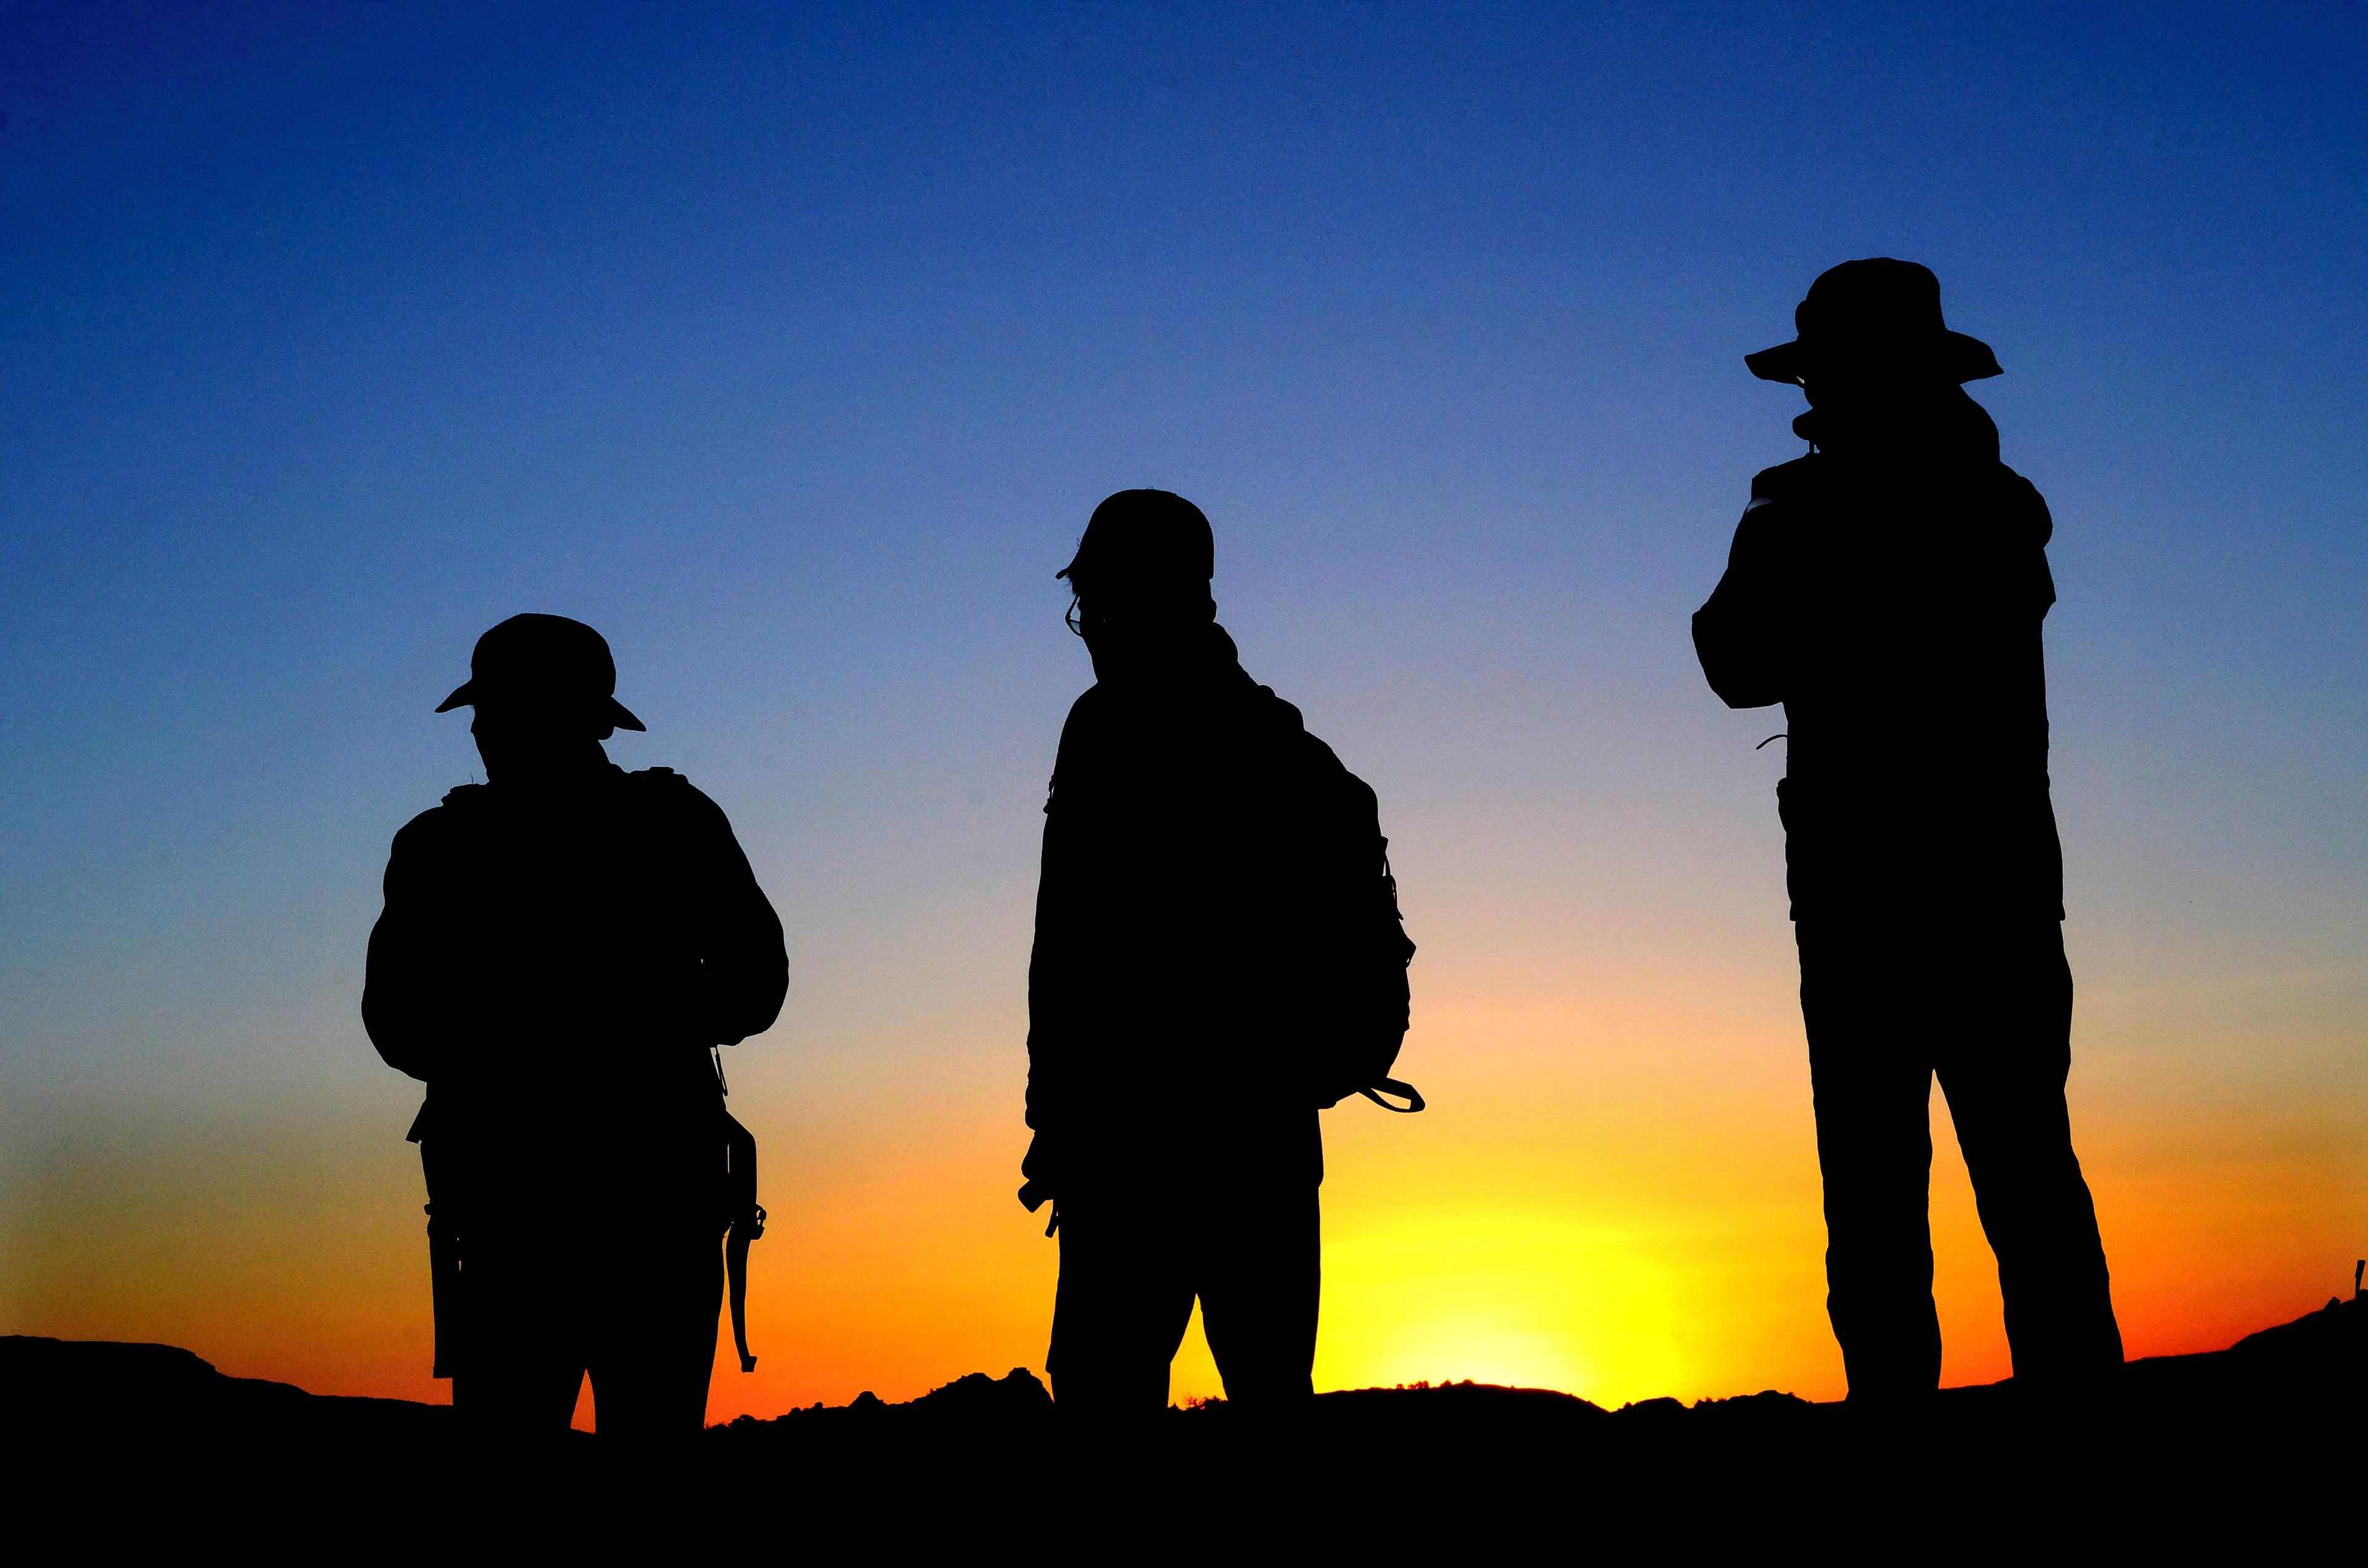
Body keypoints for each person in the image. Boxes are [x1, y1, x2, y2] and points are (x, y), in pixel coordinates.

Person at [1693, 260, 2124, 1401]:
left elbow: (1734, 661)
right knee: (2022, 1179)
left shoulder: (1844, 513)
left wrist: (1787, 530)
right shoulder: (1990, 501)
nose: (1822, 397)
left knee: (1895, 1201)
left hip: (1878, 894)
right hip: (1984, 884)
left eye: (1831, 375)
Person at [1022, 490, 1416, 1414]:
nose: (1091, 628)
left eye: (1102, 602)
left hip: (1138, 1148)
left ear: (1155, 594)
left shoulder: (1107, 730)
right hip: (1258, 1144)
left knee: (1107, 1403)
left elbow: (1069, 950)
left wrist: (1058, 1116)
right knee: (1267, 1401)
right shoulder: (1285, 750)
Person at [363, 613, 787, 1439]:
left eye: (496, 710)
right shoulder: (670, 823)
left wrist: (542, 1040)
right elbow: (753, 989)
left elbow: (399, 1025)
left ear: (555, 716)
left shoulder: (444, 847)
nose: (482, 730)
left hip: (561, 1217)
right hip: (591, 1214)